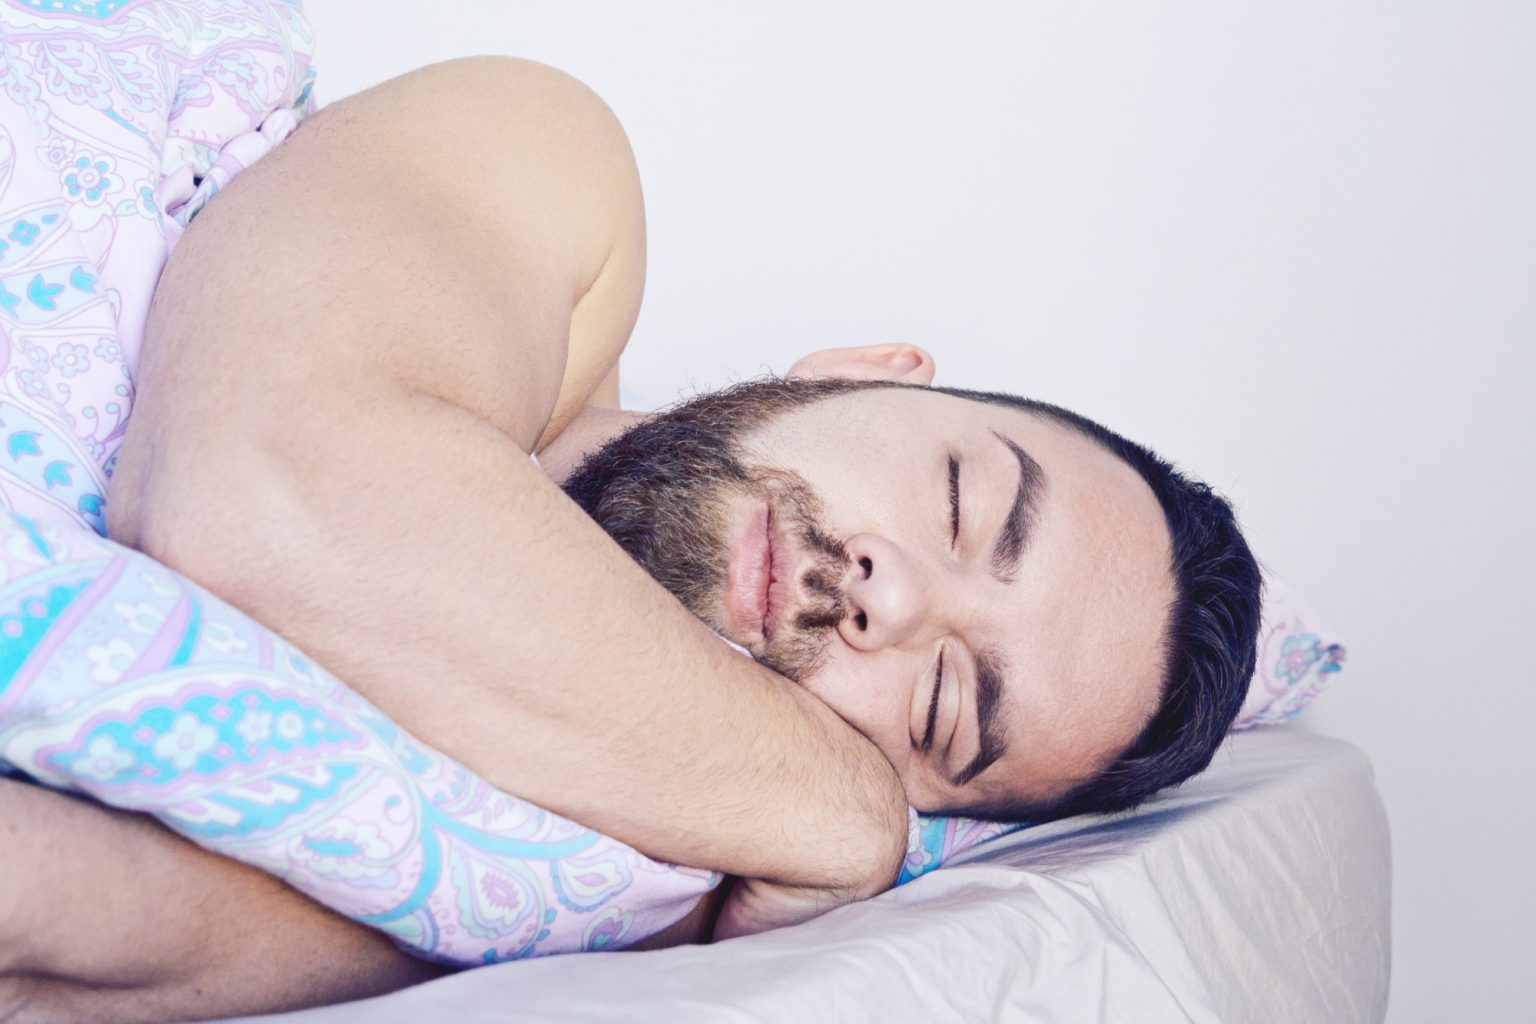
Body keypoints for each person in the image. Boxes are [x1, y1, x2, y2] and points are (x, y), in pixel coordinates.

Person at [0, 33, 1260, 1024]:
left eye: (940, 704)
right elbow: (263, 483)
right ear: (864, 373)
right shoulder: (551, 173)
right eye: (957, 502)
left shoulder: (550, 881)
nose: (891, 596)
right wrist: (838, 814)